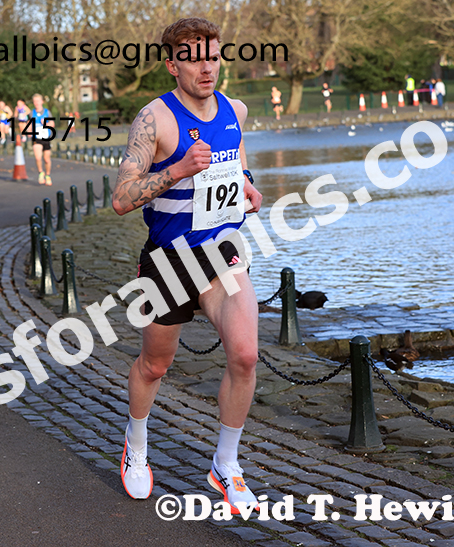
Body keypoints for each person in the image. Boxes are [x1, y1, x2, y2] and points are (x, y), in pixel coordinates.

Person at [112, 17, 263, 514]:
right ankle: (136, 445)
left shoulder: (235, 110)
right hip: (168, 261)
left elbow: (237, 164)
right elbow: (121, 198)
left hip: (221, 251)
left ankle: (225, 464)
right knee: (155, 364)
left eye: (214, 56)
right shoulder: (154, 120)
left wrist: (247, 186)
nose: (207, 66)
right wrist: (176, 169)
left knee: (245, 355)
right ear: (173, 63)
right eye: (195, 58)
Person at [30, 94, 54, 185]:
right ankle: (41, 172)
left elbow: (52, 123)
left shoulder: (47, 112)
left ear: (42, 101)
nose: (36, 103)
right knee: (38, 157)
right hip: (36, 137)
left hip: (46, 137)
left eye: (38, 101)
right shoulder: (32, 113)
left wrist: (46, 124)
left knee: (46, 159)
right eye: (35, 101)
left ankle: (48, 175)